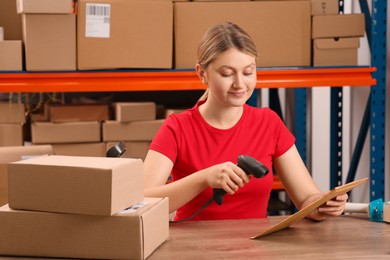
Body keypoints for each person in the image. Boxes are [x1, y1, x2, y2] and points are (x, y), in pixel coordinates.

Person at [143, 21, 348, 222]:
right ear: (202, 74)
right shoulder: (177, 128)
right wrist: (204, 179)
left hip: (255, 250)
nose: (240, 84)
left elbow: (306, 199)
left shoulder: (268, 123)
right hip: (193, 251)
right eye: (227, 73)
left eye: (248, 72)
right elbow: (139, 203)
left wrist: (323, 204)